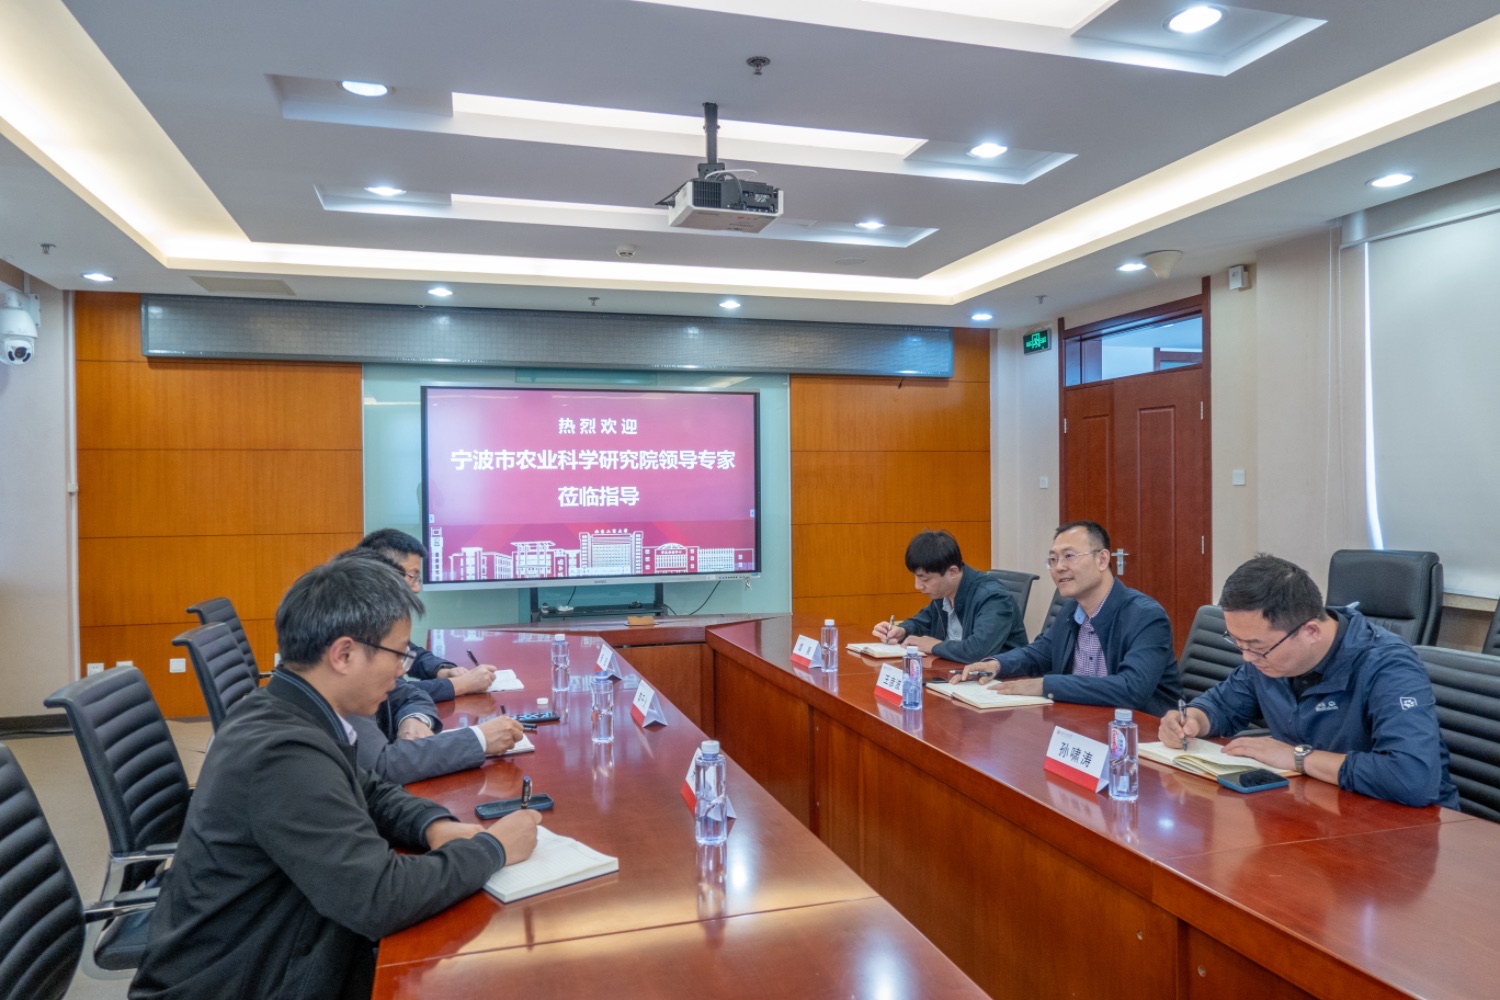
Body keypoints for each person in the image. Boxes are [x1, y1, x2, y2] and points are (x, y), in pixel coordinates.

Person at [130, 556, 542, 1000]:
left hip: (291, 942)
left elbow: (369, 788)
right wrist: (493, 849)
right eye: (398, 654)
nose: (402, 671)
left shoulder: (289, 709)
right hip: (244, 979)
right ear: (343, 654)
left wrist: (433, 825)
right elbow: (379, 898)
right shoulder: (283, 754)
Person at [1158, 553, 1459, 808]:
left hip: (1402, 828)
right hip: (1314, 808)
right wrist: (1192, 720)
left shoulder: (1388, 667)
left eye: (1256, 647)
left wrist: (1298, 758)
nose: (1247, 658)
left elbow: (1411, 778)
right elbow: (1223, 705)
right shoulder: (1269, 658)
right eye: (1238, 643)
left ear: (1311, 631)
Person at [335, 549, 525, 784]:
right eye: (411, 576)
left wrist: (413, 719)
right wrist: (479, 738)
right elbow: (380, 768)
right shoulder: (340, 691)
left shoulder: (361, 658)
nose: (401, 671)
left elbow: (410, 694)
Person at [963, 521, 1181, 714]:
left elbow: (1131, 688)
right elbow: (1039, 653)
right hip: (1082, 721)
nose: (1059, 567)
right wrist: (996, 664)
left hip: (1140, 733)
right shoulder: (1071, 609)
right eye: (1053, 559)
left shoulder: (1145, 616)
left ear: (1102, 559)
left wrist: (1046, 685)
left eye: (1069, 556)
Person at [357, 527, 498, 701]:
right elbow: (391, 693)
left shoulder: (378, 609)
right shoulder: (354, 615)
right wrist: (463, 684)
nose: (417, 588)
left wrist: (442, 670)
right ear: (384, 573)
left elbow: (407, 651)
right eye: (412, 576)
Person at [870, 530, 1027, 664]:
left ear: (952, 572)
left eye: (925, 579)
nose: (918, 586)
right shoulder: (944, 593)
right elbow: (922, 622)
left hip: (998, 681)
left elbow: (978, 651)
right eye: (915, 577)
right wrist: (902, 630)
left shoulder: (993, 597)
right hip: (954, 672)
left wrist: (934, 646)